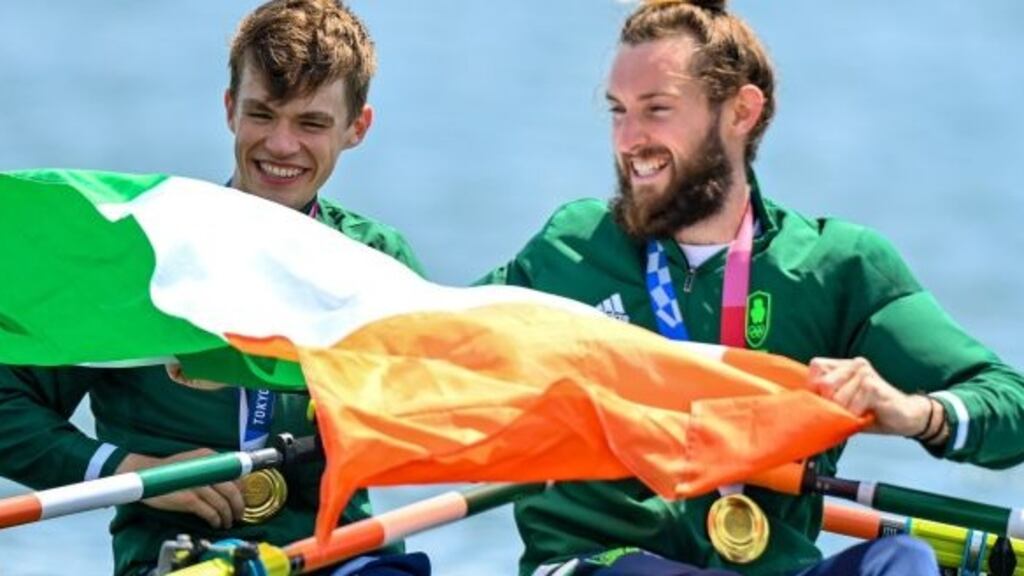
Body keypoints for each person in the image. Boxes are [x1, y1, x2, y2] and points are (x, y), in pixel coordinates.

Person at [480, 1, 1024, 575]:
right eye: (618, 111)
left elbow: (1010, 405)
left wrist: (918, 412)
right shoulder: (569, 250)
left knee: (902, 560)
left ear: (740, 111)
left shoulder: (835, 266)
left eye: (657, 109)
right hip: (601, 562)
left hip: (765, 564)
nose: (628, 139)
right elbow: (425, 342)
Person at [0, 1, 429, 575]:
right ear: (230, 109)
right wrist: (125, 470)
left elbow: (425, 421)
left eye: (311, 123)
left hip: (342, 558)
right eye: (262, 114)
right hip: (178, 562)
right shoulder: (140, 257)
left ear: (357, 128)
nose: (280, 145)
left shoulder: (375, 260)